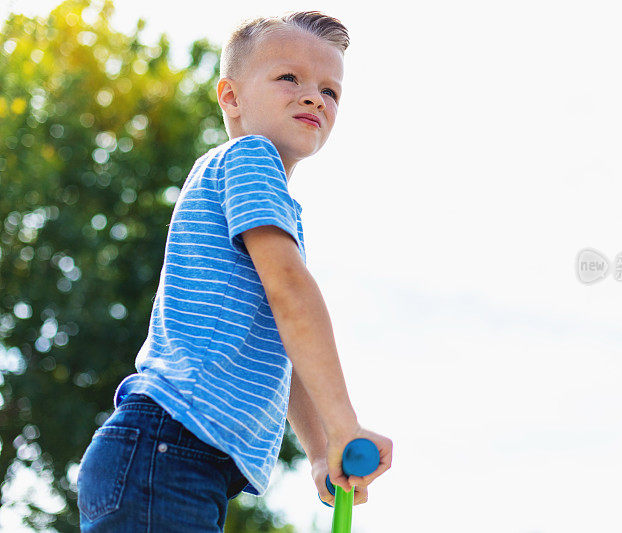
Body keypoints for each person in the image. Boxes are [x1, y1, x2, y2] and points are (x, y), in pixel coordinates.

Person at [77, 11, 392, 531]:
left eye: (330, 91)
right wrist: (344, 425)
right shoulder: (249, 159)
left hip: (174, 459)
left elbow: (280, 333)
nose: (314, 96)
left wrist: (319, 451)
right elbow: (291, 295)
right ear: (231, 97)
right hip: (168, 450)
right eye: (289, 77)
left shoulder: (271, 200)